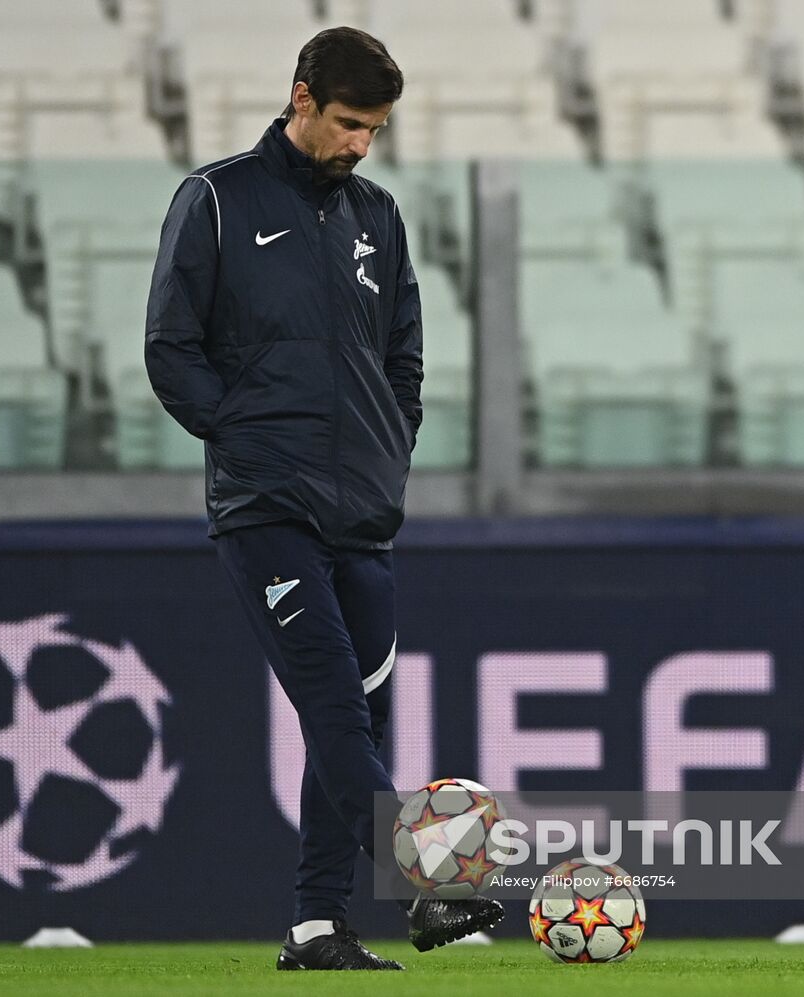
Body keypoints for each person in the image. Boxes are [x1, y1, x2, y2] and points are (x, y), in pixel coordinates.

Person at [145, 26, 502, 971]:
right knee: (339, 709)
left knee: (359, 720)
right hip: (268, 509)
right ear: (301, 98)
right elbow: (169, 347)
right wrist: (248, 442)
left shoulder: (376, 215)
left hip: (364, 513)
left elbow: (405, 355)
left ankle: (315, 925)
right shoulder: (217, 199)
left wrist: (392, 443)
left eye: (376, 131)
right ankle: (426, 879)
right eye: (349, 123)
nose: (360, 145)